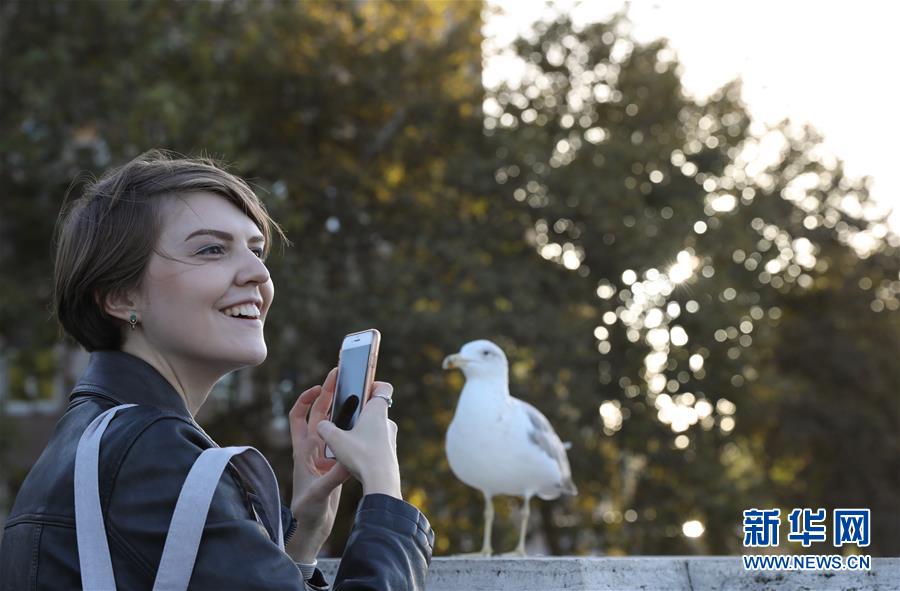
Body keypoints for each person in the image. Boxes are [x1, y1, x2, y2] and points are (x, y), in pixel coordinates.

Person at [0, 151, 433, 590]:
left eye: (257, 250)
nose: (258, 273)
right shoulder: (155, 458)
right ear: (120, 296)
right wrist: (383, 489)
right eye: (211, 250)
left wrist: (302, 536)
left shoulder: (89, 438)